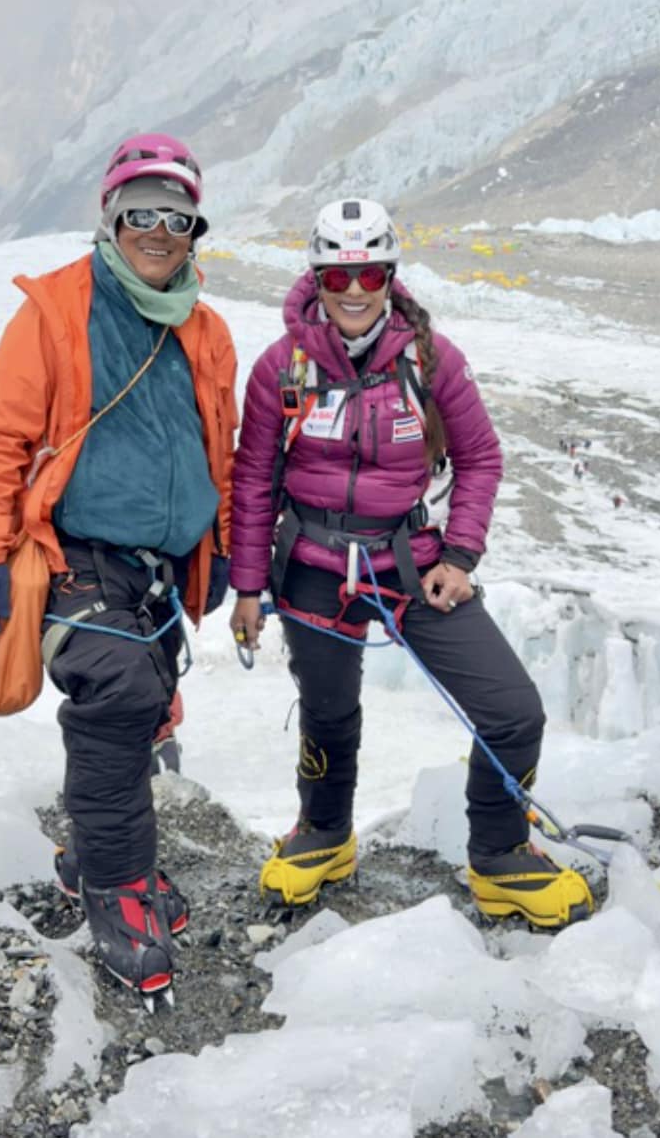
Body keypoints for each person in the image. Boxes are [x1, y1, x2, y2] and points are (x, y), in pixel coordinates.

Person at [228, 198, 592, 930]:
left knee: (511, 711)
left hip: (412, 562)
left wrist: (458, 555)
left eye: (369, 272)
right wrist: (244, 587)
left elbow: (481, 457)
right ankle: (323, 835)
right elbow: (253, 478)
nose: (354, 289)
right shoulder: (282, 367)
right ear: (317, 276)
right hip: (311, 565)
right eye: (338, 274)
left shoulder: (430, 359)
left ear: (390, 275)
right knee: (327, 712)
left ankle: (499, 854)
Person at [0, 134, 237, 996]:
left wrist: (217, 543)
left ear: (195, 227)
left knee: (143, 707)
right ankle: (119, 888)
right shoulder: (55, 311)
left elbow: (215, 449)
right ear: (110, 216)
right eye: (139, 211)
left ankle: (90, 855)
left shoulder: (207, 328)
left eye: (175, 215)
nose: (157, 229)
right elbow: (1, 436)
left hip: (158, 564)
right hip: (72, 552)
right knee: (119, 692)